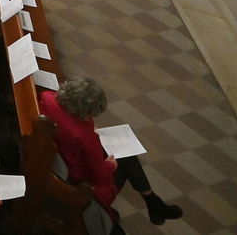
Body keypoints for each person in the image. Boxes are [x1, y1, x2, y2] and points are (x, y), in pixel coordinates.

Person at [40, 77, 183, 230]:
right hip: (78, 181)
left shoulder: (46, 97)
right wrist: (110, 165)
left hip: (59, 159)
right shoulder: (85, 137)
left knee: (127, 158)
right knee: (126, 159)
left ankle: (155, 204)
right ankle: (154, 204)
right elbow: (99, 176)